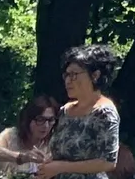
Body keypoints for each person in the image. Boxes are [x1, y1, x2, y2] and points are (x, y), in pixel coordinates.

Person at [43, 46, 120, 179]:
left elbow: (108, 162)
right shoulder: (65, 111)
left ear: (95, 75)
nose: (68, 80)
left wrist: (61, 167)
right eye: (66, 75)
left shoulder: (104, 113)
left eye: (74, 75)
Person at [0, 97, 59, 179]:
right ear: (28, 119)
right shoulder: (11, 135)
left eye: (51, 120)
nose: (46, 126)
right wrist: (20, 157)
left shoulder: (51, 145)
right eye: (40, 119)